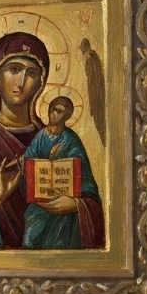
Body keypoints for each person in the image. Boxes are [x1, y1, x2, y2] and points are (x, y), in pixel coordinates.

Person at [0, 32, 104, 250]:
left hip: (54, 257)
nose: (22, 81)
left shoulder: (60, 139)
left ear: (40, 83)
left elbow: (95, 210)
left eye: (32, 73)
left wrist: (76, 205)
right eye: (14, 69)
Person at [22, 96, 103, 249]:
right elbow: (29, 158)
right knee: (30, 238)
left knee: (61, 241)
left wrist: (74, 203)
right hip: (41, 200)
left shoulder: (71, 139)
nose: (55, 115)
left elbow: (83, 173)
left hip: (64, 202)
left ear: (67, 116)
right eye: (54, 110)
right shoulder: (40, 136)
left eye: (61, 112)